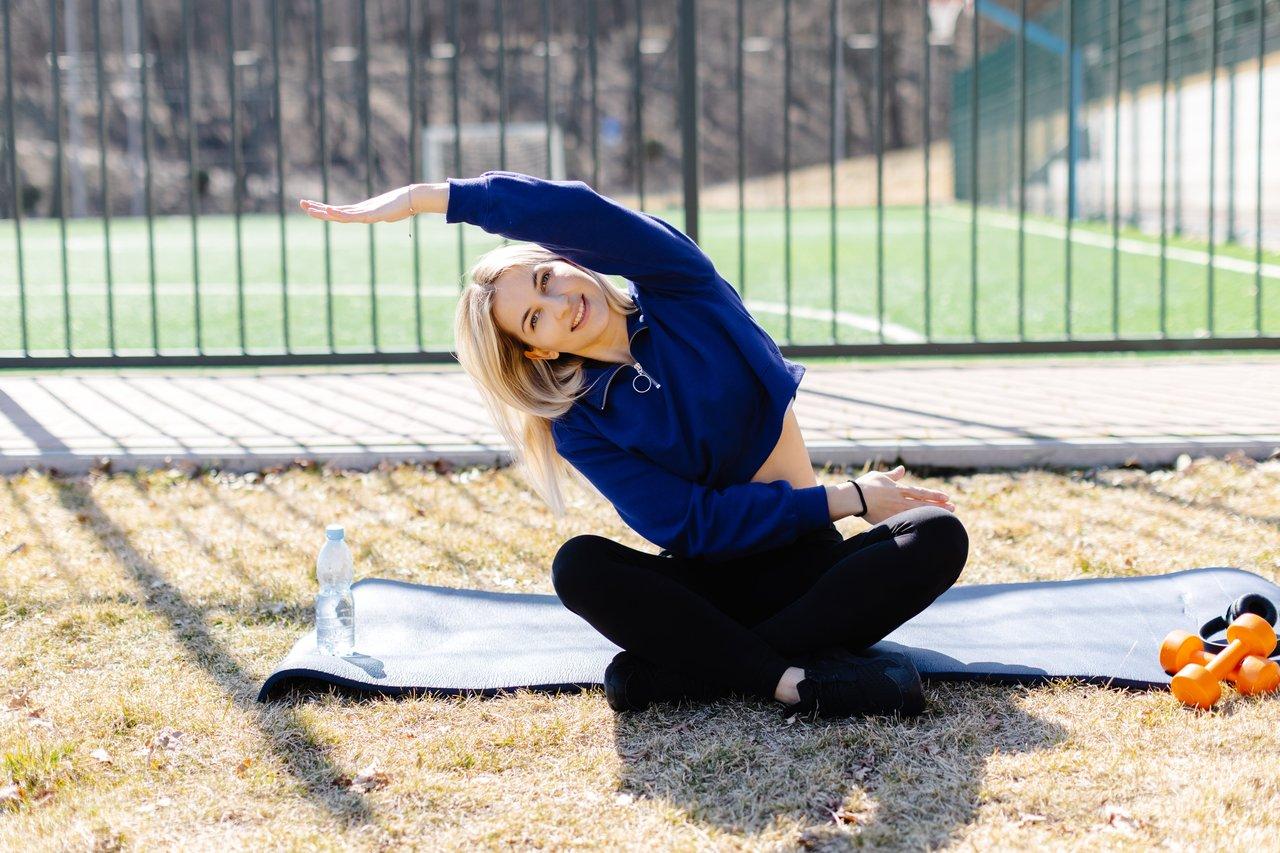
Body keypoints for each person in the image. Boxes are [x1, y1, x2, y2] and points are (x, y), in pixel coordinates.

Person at [299, 171, 969, 720]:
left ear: (564, 258)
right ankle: (791, 681)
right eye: (537, 316)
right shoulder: (578, 420)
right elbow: (688, 525)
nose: (560, 302)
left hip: (815, 571)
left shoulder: (681, 289)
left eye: (545, 278)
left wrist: (431, 198)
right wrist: (849, 494)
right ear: (538, 347)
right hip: (710, 583)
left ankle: (694, 669)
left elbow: (582, 211)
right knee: (579, 566)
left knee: (938, 532)